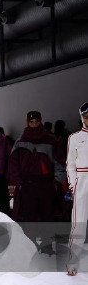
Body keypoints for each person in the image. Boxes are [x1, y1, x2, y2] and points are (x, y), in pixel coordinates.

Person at [8, 110, 66, 252]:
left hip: (47, 184)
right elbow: (13, 164)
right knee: (30, 218)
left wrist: (57, 182)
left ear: (41, 121)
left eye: (36, 121)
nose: (34, 124)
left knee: (48, 217)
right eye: (31, 122)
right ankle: (31, 248)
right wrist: (19, 183)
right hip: (27, 185)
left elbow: (59, 162)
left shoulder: (51, 140)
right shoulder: (20, 141)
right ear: (28, 123)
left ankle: (47, 247)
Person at [66, 102, 88, 276]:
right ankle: (72, 263)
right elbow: (70, 164)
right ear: (82, 118)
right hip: (82, 180)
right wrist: (74, 184)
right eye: (86, 117)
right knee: (78, 224)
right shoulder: (74, 138)